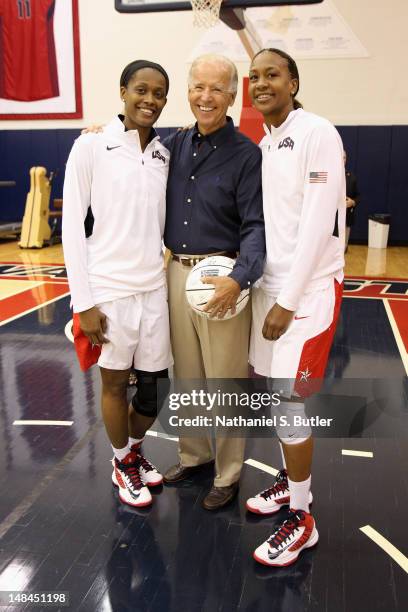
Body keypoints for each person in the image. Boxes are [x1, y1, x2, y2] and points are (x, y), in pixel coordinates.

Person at [245, 48, 345, 566]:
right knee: (275, 397)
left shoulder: (317, 132)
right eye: (255, 76)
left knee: (290, 405)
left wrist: (286, 300)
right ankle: (290, 482)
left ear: (294, 81)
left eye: (273, 75)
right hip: (272, 288)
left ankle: (303, 519)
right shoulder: (265, 142)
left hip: (305, 294)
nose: (262, 83)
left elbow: (316, 224)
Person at [62, 60, 173, 509]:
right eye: (141, 90)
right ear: (123, 90)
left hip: (154, 288)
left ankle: (133, 450)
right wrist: (83, 301)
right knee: (113, 386)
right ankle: (121, 460)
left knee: (154, 388)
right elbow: (72, 225)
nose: (149, 99)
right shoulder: (90, 146)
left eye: (159, 93)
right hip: (108, 288)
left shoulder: (166, 152)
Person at [163, 54, 265, 510]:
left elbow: (257, 226)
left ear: (232, 95)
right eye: (198, 87)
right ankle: (194, 455)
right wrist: (102, 131)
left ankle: (228, 473)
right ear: (188, 90)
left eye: (217, 89)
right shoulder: (175, 144)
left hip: (221, 278)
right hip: (175, 272)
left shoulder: (247, 155)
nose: (206, 97)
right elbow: (129, 147)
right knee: (185, 376)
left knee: (223, 380)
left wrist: (240, 279)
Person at [344, 150, 360, 251]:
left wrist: (353, 202)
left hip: (346, 217)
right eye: (340, 157)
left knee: (343, 249)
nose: (342, 160)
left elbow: (358, 196)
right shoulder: (327, 175)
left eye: (344, 157)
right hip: (330, 218)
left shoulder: (351, 177)